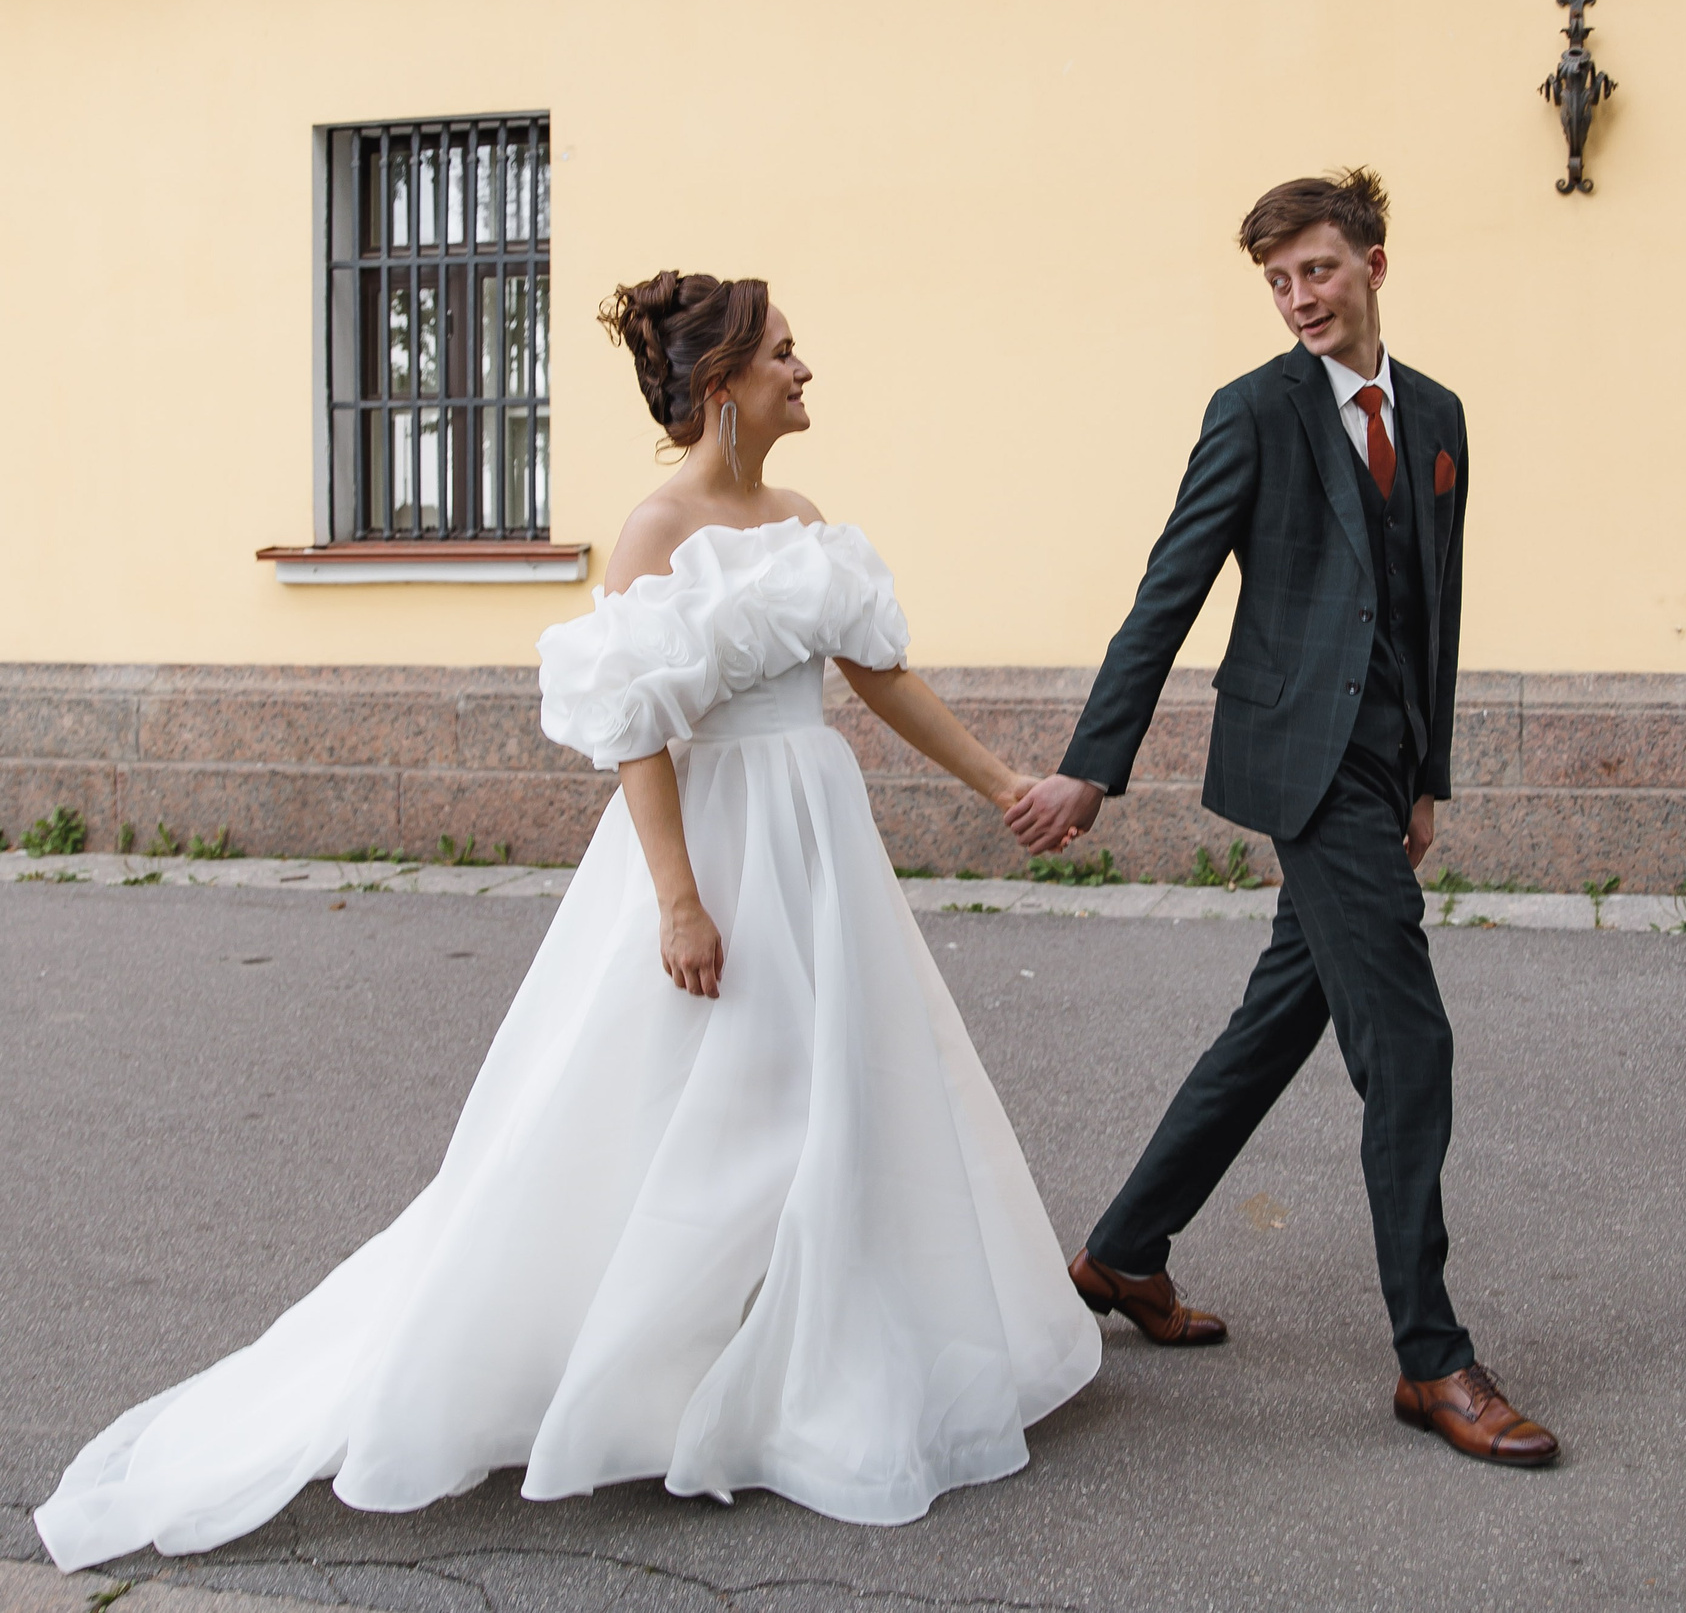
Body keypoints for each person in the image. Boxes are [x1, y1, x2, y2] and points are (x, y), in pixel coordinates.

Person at [34, 272, 1100, 1572]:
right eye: (783, 353)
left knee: (838, 1098)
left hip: (819, 839)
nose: (805, 369)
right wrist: (680, 902)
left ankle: (813, 1361)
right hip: (715, 843)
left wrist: (1004, 789)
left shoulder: (807, 518)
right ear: (723, 390)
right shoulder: (655, 533)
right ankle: (657, 1376)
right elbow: (635, 730)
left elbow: (882, 680)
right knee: (714, 1110)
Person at [1005, 170, 1558, 1466]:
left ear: (1372, 259)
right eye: (1278, 280)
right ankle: (1433, 1362)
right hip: (1301, 763)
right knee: (1408, 1045)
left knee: (1276, 1023)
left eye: (1316, 269)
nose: (1299, 298)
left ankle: (1125, 1252)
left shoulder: (1436, 416)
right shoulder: (1252, 414)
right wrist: (1096, 763)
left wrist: (1427, 776)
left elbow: (1433, 604)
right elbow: (1170, 587)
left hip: (1380, 770)